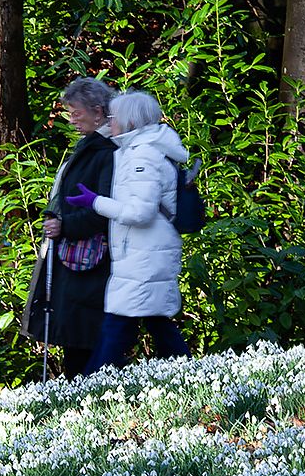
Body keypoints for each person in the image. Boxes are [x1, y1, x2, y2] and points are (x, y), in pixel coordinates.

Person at [62, 90, 193, 372]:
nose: (110, 121)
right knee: (154, 323)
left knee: (118, 326)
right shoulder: (139, 151)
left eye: (114, 117)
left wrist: (95, 202)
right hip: (143, 254)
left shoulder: (142, 156)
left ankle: (92, 385)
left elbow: (140, 213)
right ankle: (188, 372)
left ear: (130, 121)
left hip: (144, 256)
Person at [23, 77, 118, 377]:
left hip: (91, 259)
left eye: (77, 113)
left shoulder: (106, 152)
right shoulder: (92, 147)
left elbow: (106, 208)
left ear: (98, 112)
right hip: (78, 258)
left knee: (85, 339)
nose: (72, 119)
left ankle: (90, 392)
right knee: (77, 337)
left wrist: (65, 226)